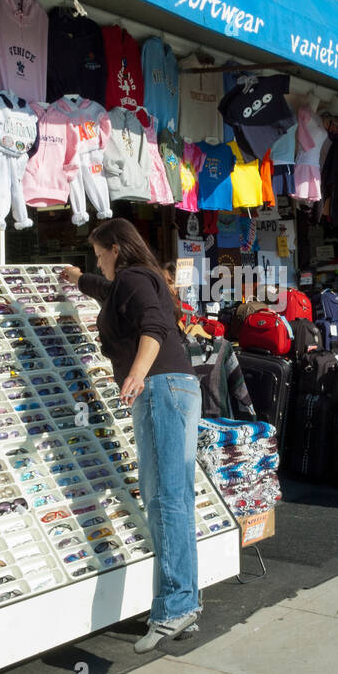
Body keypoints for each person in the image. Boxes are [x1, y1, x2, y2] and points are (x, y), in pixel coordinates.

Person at [59, 220, 203, 652]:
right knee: (175, 498)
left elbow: (154, 325)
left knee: (164, 500)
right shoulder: (134, 280)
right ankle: (185, 604)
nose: (97, 262)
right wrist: (78, 279)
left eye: (99, 254)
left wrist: (137, 374)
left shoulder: (135, 278)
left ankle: (176, 608)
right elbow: (111, 294)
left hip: (160, 389)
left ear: (116, 249)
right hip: (174, 389)